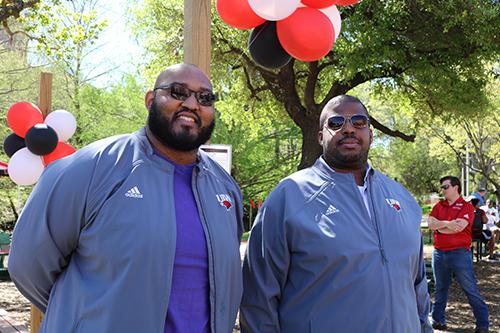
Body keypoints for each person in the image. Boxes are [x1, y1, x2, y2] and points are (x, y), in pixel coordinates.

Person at [8, 63, 244, 333]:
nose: (192, 103)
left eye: (205, 98)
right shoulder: (90, 167)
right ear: (150, 99)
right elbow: (27, 265)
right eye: (178, 92)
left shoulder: (224, 188)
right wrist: (84, 319)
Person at [240, 95, 432, 333]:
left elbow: (418, 286)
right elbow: (259, 297)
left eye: (359, 122)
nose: (348, 128)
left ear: (371, 134)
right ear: (320, 136)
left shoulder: (403, 199)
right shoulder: (289, 196)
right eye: (336, 122)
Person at [428, 176, 489, 333]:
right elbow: (430, 224)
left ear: (456, 187)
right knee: (440, 287)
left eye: (445, 187)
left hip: (460, 253)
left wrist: (439, 225)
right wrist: (448, 223)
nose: (442, 190)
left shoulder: (466, 206)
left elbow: (459, 227)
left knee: (470, 288)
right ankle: (437, 321)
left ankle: (483, 324)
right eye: (442, 187)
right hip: (439, 253)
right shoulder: (438, 206)